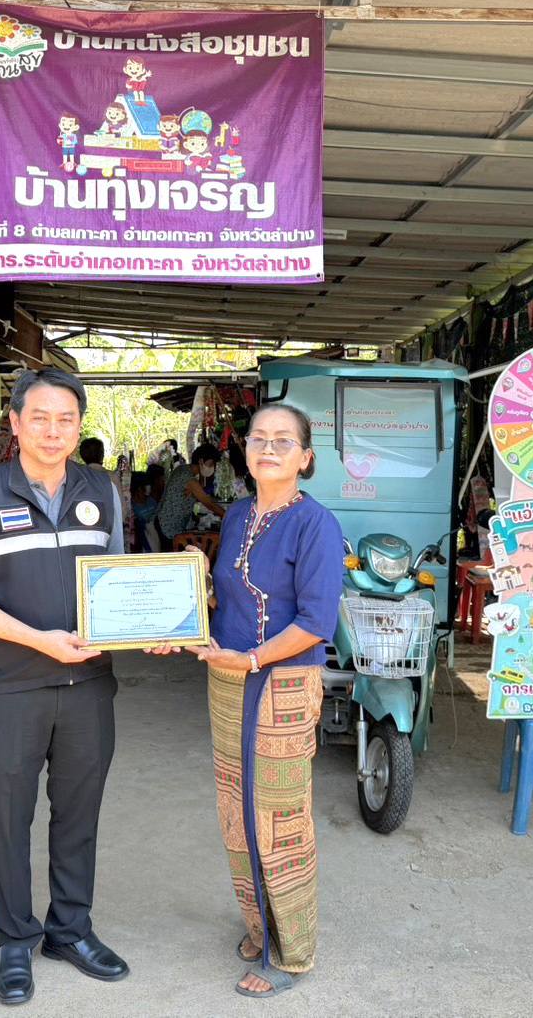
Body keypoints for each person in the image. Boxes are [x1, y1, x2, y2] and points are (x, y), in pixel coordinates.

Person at [0, 369, 129, 1007]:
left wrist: (157, 626)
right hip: (10, 688)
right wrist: (41, 640)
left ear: (79, 427)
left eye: (66, 419)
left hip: (87, 686)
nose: (53, 431)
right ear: (15, 424)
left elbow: (117, 583)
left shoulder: (102, 492)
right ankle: (15, 940)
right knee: (9, 817)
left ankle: (70, 931)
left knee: (79, 814)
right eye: (39, 418)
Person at [151, 403, 343, 998]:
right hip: (227, 678)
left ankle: (293, 952)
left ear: (305, 457)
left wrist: (255, 659)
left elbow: (315, 622)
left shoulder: (316, 525)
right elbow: (222, 599)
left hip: (282, 684)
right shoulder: (236, 514)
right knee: (237, 812)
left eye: (284, 440)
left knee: (280, 817)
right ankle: (260, 928)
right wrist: (189, 593)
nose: (268, 448)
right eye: (259, 438)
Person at [156, 443, 225, 546]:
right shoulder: (188, 478)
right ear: (201, 461)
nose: (213, 468)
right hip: (167, 527)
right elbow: (210, 505)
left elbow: (200, 490)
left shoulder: (183, 469)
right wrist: (229, 516)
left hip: (168, 524)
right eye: (210, 464)